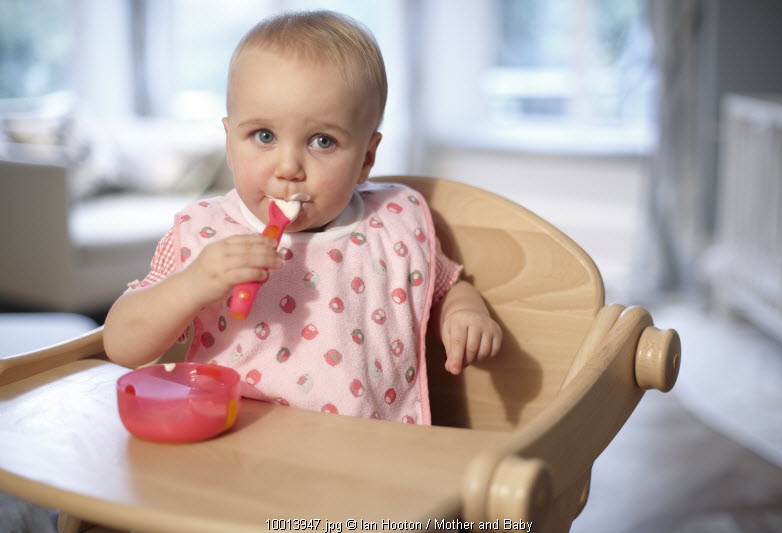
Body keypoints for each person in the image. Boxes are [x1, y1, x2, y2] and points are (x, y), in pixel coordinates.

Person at [103, 10, 501, 424]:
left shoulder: (392, 222)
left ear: (366, 158)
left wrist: (464, 312)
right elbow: (121, 344)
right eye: (264, 136)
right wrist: (192, 284)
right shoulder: (207, 235)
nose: (288, 166)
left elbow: (444, 284)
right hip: (236, 451)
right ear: (228, 141)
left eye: (322, 141)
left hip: (369, 459)